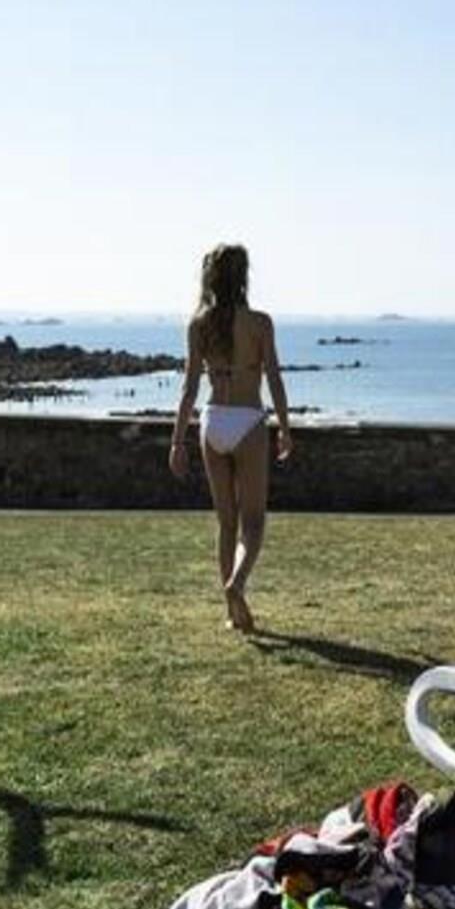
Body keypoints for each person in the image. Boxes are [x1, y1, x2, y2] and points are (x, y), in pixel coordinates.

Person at [169, 244, 293, 632]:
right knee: (253, 521)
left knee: (226, 523)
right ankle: (236, 584)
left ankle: (232, 614)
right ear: (243, 277)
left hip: (212, 422)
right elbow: (274, 379)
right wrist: (285, 428)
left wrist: (177, 442)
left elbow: (189, 388)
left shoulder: (198, 323)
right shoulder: (260, 323)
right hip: (248, 420)